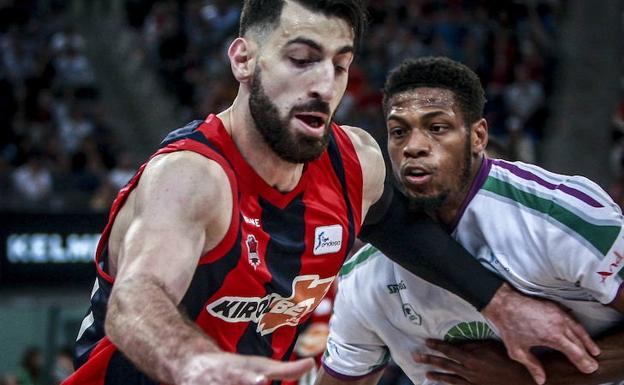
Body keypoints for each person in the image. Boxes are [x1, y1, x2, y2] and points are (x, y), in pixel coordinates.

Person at [63, 2, 599, 385]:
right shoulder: (191, 177)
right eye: (301, 58)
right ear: (244, 60)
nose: (324, 84)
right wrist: (194, 364)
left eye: (340, 65)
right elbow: (136, 300)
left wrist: (501, 304)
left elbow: (402, 230)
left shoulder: (353, 162)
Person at [316, 57, 624, 385]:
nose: (413, 147)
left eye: (437, 128)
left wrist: (527, 378)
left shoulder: (560, 214)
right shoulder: (364, 277)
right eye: (398, 132)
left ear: (478, 137)